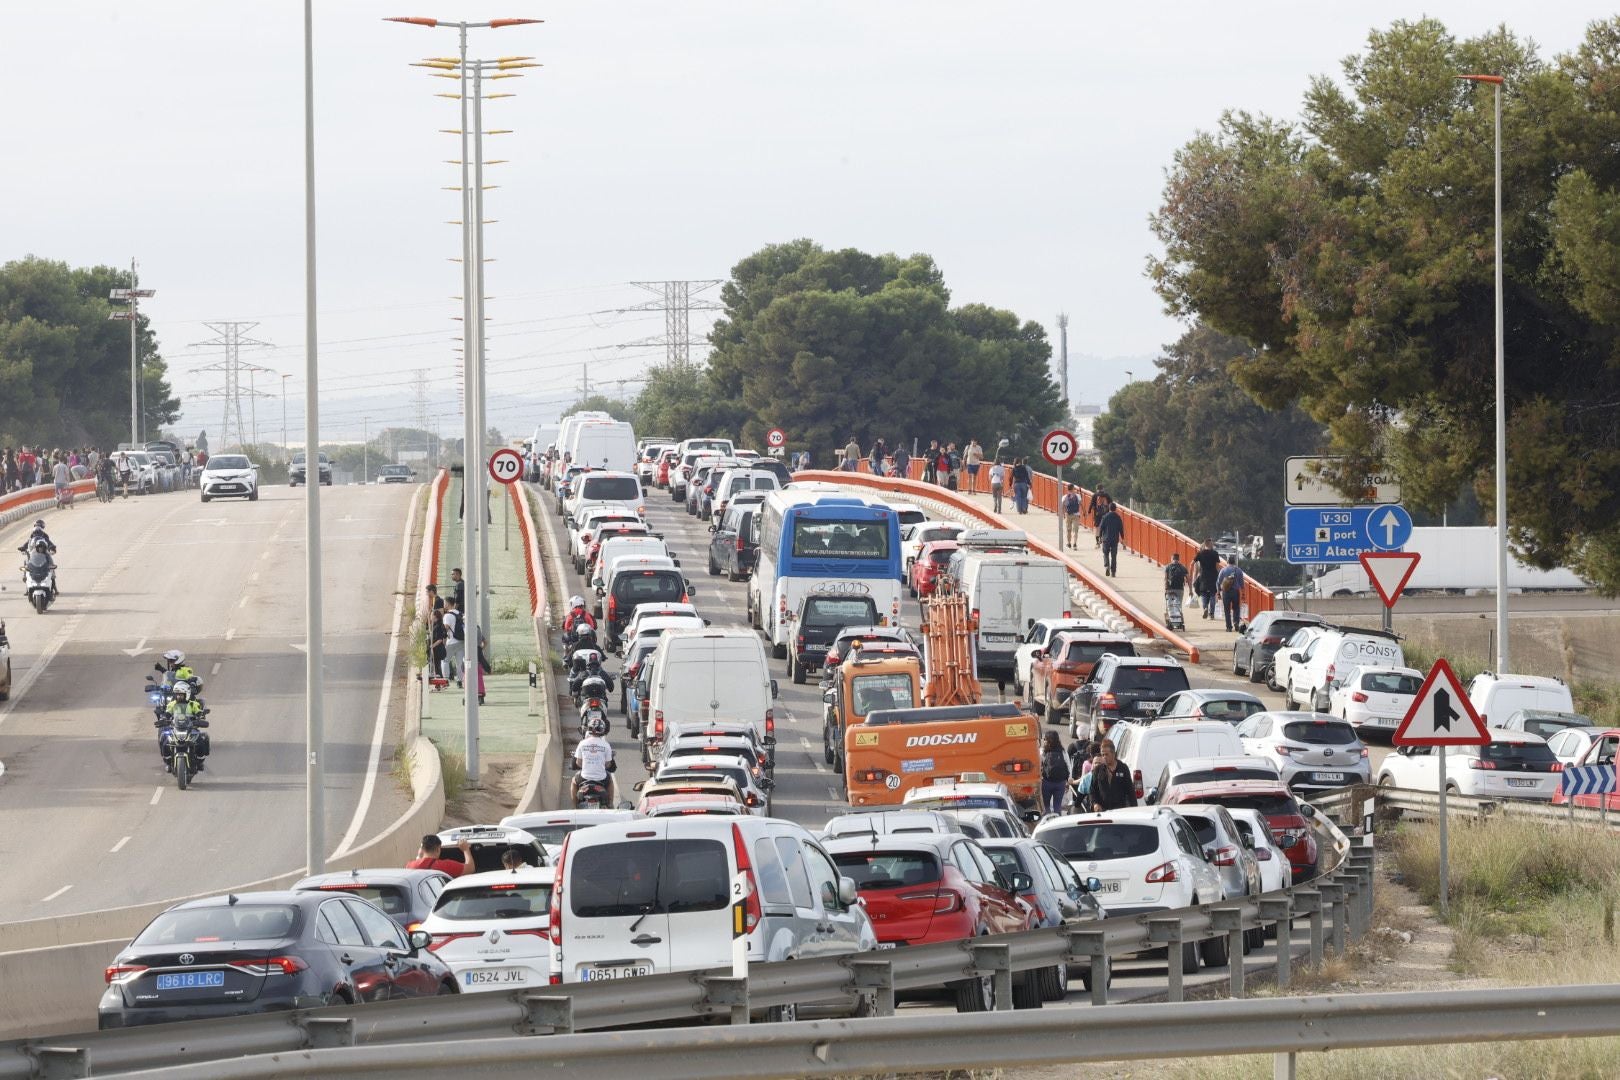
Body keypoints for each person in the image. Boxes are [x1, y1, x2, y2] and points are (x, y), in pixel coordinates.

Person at [572, 716, 616, 804]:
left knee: (573, 781)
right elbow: (608, 764)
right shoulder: (606, 745)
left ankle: (574, 805)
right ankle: (610, 803)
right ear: (603, 730)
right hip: (601, 779)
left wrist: (586, 766)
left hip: (584, 778)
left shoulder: (582, 743)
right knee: (610, 780)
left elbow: (578, 762)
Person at [1087, 739, 1136, 812]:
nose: (1104, 757)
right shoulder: (1098, 770)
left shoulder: (1123, 768)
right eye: (1102, 755)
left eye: (1106, 754)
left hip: (1120, 811)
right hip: (1102, 812)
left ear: (1113, 754)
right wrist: (1095, 804)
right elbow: (1092, 791)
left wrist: (1134, 810)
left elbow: (1130, 791)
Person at [407, 835, 474, 878]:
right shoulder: (445, 866)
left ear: (422, 849)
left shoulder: (410, 865)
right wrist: (465, 849)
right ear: (438, 849)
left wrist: (419, 856)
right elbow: (471, 869)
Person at [1039, 731, 1068, 816]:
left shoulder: (1043, 752)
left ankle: (1047, 824)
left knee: (1046, 806)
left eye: (1045, 739)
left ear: (1047, 740)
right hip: (1060, 783)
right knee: (1057, 807)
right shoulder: (1063, 751)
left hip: (1047, 782)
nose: (1044, 741)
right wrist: (1067, 781)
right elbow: (1068, 765)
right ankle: (1057, 823)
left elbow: (1038, 766)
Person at [1192, 539, 1221, 620]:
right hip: (1213, 577)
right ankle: (1211, 613)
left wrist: (1192, 576)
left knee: (1204, 594)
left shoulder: (1200, 553)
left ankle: (1205, 608)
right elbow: (1217, 566)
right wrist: (1219, 576)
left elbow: (1192, 564)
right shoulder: (1215, 553)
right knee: (1212, 594)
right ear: (1210, 544)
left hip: (1203, 577)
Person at [1216, 556, 1247, 632]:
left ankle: (1229, 627)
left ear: (1227, 562)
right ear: (1234, 562)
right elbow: (1242, 584)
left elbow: (1218, 582)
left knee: (1227, 610)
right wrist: (1243, 594)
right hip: (1235, 592)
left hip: (1226, 592)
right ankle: (1236, 622)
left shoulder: (1223, 570)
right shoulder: (1238, 570)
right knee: (1236, 608)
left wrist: (1218, 592)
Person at [443, 598, 465, 687]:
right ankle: (460, 681)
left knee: (445, 660)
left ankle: (446, 679)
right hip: (461, 641)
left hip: (451, 641)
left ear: (448, 604)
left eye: (445, 603)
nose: (444, 605)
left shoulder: (447, 615)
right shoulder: (460, 613)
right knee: (459, 662)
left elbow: (446, 628)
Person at [1098, 501, 1124, 576]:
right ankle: (1113, 572)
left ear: (1109, 508)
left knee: (1105, 553)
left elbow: (1101, 528)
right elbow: (1121, 529)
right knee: (1114, 556)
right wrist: (1122, 538)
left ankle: (1107, 566)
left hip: (1106, 539)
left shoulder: (1105, 517)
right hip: (1115, 539)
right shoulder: (1118, 517)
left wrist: (1100, 538)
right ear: (1115, 509)